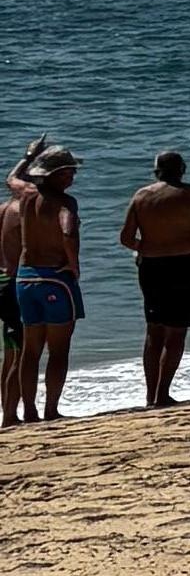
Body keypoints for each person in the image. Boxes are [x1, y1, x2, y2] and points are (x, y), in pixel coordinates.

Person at [121, 149, 190, 413]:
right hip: (184, 264)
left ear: (156, 171)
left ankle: (150, 395)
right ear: (183, 169)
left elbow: (125, 238)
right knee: (177, 331)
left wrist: (143, 248)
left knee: (154, 330)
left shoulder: (141, 196)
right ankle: (163, 393)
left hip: (151, 267)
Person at [9, 147, 82, 423]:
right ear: (55, 175)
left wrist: (28, 156)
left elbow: (11, 178)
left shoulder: (26, 195)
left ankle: (28, 410)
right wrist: (73, 264)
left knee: (30, 350)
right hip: (55, 278)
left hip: (25, 277)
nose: (73, 176)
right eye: (68, 171)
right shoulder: (65, 202)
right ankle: (51, 410)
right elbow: (68, 230)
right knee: (59, 350)